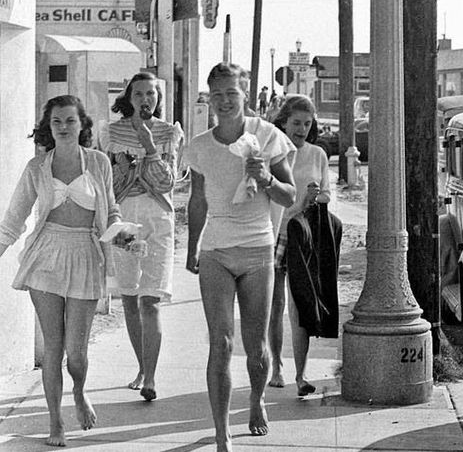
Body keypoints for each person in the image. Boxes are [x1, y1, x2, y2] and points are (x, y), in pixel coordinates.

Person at [186, 62, 296, 452]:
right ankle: (221, 432)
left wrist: (266, 177)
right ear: (209, 99)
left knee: (255, 347)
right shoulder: (199, 145)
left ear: (245, 94)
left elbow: (289, 195)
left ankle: (257, 399)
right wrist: (192, 248)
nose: (225, 101)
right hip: (216, 249)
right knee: (220, 343)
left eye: (232, 93)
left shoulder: (267, 137)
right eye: (217, 95)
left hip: (257, 250)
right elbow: (197, 200)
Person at [0, 95, 121, 447]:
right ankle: (56, 424)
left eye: (70, 120)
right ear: (47, 127)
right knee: (53, 347)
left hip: (85, 254)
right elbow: (13, 220)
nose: (64, 127)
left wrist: (123, 234)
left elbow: (111, 212)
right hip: (46, 256)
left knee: (77, 352)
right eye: (57, 121)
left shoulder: (98, 163)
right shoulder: (36, 168)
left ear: (83, 124)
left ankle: (80, 392)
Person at [99, 71, 183, 402]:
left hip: (158, 219)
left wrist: (149, 149)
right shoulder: (111, 132)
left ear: (158, 99)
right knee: (131, 297)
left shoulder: (169, 132)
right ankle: (140, 366)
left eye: (151, 94)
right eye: (139, 94)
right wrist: (130, 169)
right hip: (124, 220)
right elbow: (113, 184)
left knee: (151, 299)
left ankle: (151, 377)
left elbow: (167, 182)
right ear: (128, 98)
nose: (145, 100)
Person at [268, 95, 340, 397]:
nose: (301, 129)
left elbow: (327, 194)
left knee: (300, 304)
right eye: (296, 122)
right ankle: (277, 367)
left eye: (307, 124)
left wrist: (315, 197)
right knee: (275, 305)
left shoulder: (317, 154)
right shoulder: (271, 150)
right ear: (283, 121)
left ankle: (300, 374)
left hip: (303, 236)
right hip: (273, 232)